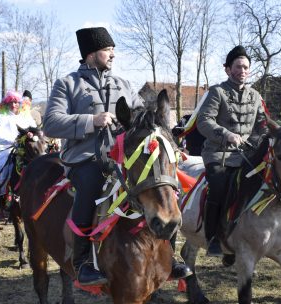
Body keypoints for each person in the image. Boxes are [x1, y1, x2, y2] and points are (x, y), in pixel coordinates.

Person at [43, 27, 191, 286]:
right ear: (91, 53)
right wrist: (91, 120)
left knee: (165, 185)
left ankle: (171, 255)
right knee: (89, 186)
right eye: (107, 49)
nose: (112, 55)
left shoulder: (122, 84)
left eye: (113, 50)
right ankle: (82, 262)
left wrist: (166, 141)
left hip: (123, 158)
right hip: (84, 158)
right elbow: (51, 123)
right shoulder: (67, 84)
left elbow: (141, 118)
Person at [197, 45, 268, 257]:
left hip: (246, 155)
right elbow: (203, 121)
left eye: (246, 67)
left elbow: (262, 126)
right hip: (218, 154)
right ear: (228, 69)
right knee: (218, 187)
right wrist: (226, 134)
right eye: (238, 67)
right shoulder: (216, 92)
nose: (243, 71)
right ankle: (213, 238)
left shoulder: (255, 96)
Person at [0, 90, 36, 203]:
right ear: (6, 104)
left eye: (16, 102)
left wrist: (32, 135)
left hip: (26, 149)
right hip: (5, 148)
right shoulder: (0, 117)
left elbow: (35, 130)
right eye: (11, 102)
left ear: (20, 103)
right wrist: (13, 141)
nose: (14, 105)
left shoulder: (26, 117)